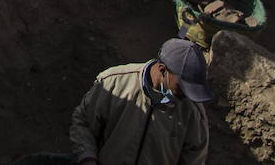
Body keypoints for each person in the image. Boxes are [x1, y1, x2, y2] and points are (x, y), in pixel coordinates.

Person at [70, 38, 212, 165]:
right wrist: (87, 157)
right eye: (183, 88)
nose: (187, 96)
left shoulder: (193, 112)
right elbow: (83, 123)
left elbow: (195, 158)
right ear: (163, 70)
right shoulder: (114, 83)